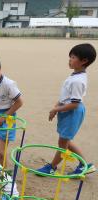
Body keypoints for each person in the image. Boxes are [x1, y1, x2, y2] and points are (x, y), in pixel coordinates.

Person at [37, 43, 96, 175]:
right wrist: (56, 107)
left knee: (63, 143)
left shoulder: (78, 81)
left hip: (72, 112)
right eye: (70, 56)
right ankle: (84, 164)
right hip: (67, 111)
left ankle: (52, 167)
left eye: (73, 57)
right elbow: (66, 97)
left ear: (84, 61)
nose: (70, 59)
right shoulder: (75, 76)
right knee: (65, 140)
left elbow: (75, 103)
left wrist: (56, 109)